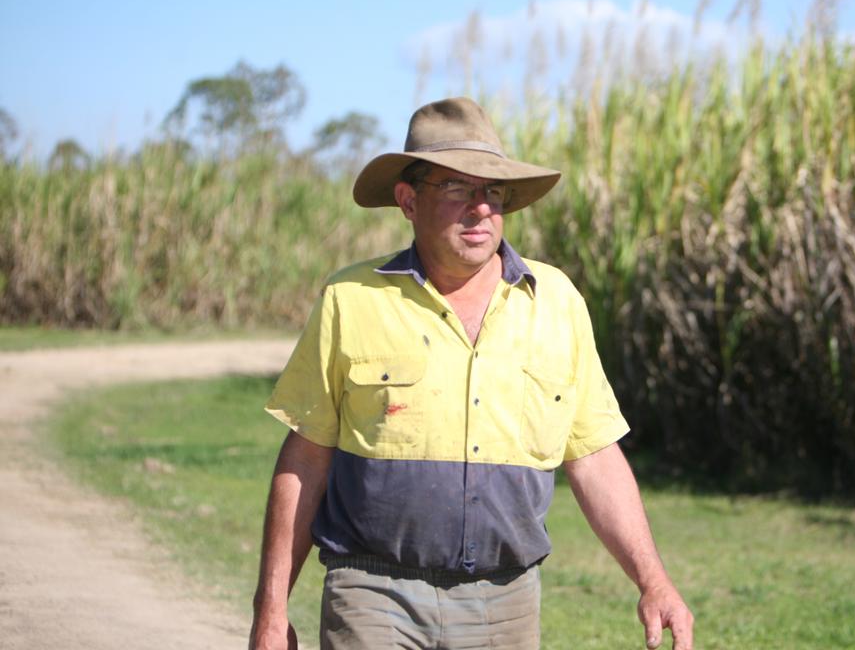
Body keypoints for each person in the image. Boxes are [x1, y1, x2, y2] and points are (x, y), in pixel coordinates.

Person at [249, 97, 694, 650]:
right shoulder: (352, 298)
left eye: (493, 192)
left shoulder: (556, 302)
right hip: (372, 591)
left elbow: (595, 454)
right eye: (457, 188)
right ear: (408, 200)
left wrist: (653, 581)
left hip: (505, 604)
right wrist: (271, 611)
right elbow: (306, 456)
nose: (481, 209)